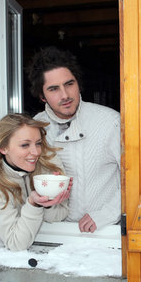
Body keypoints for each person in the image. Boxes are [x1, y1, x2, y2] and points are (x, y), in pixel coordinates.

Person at [26, 47, 121, 233]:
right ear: (42, 96)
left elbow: (135, 179)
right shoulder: (34, 127)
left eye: (69, 84)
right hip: (51, 232)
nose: (65, 95)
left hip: (106, 232)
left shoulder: (110, 122)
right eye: (54, 89)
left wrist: (106, 215)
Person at [0, 113, 72, 251]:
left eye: (38, 143)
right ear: (3, 148)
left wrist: (49, 202)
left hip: (56, 248)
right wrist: (33, 204)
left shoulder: (49, 162)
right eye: (25, 145)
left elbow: (59, 216)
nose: (36, 152)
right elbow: (16, 244)